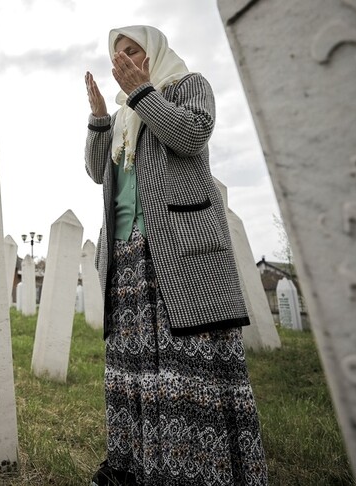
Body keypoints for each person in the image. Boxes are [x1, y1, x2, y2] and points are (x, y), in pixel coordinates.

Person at [83, 26, 268, 485]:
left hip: (179, 252)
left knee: (187, 371)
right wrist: (102, 117)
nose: (125, 59)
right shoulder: (128, 111)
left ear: (154, 52)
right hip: (126, 256)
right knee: (136, 370)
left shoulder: (188, 86)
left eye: (133, 50)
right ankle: (138, 468)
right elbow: (95, 170)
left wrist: (141, 93)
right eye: (118, 54)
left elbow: (191, 134)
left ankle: (199, 471)